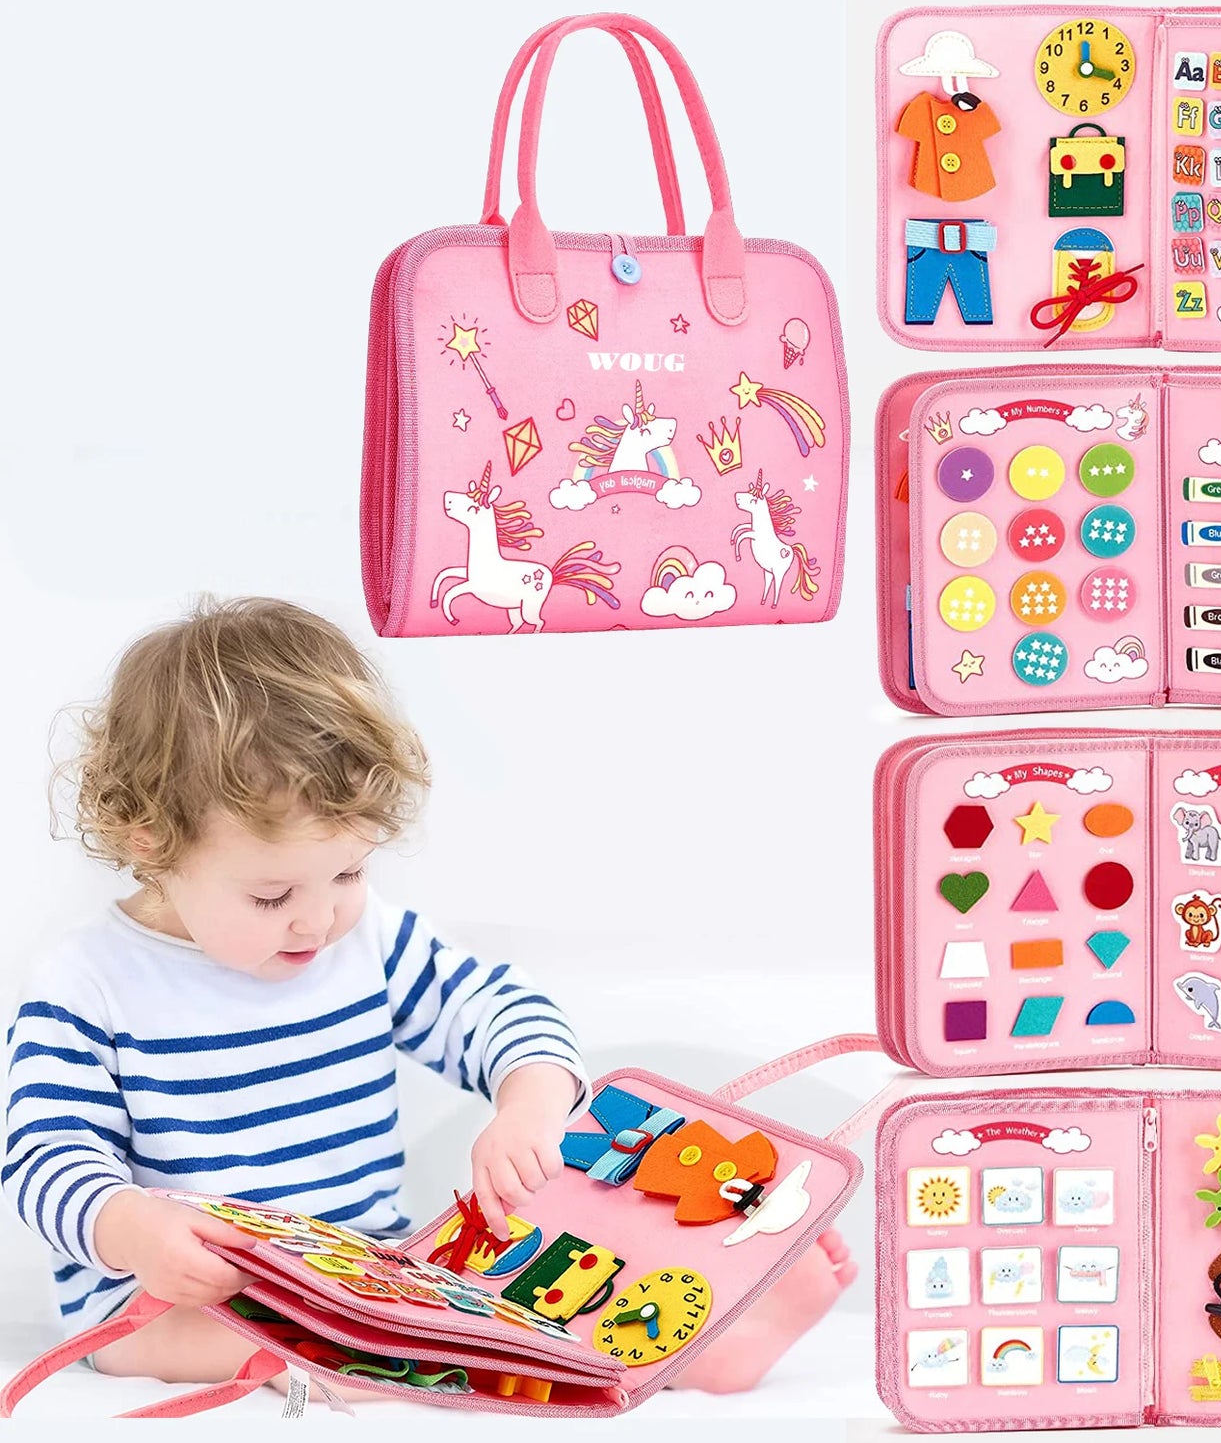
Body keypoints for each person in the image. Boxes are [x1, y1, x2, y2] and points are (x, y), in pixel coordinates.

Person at [3, 597, 853, 1396]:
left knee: (495, 1294)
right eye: (272, 896)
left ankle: (682, 1351)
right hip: (170, 1306)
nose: (319, 918)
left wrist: (528, 1102)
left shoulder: (362, 936)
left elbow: (501, 1012)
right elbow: (44, 1155)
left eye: (349, 870)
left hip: (373, 1273)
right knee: (336, 1338)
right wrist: (128, 1227)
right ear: (150, 839)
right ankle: (550, 1364)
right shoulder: (89, 985)